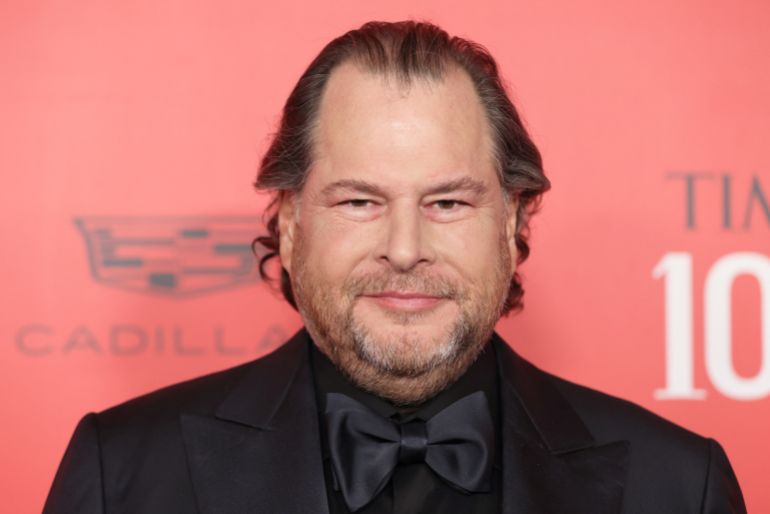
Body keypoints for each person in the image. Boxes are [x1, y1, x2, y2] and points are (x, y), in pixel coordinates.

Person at [43, 20, 747, 514]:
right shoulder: (124, 473)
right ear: (289, 222)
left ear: (512, 223)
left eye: (447, 202)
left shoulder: (678, 487)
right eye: (359, 201)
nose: (405, 248)